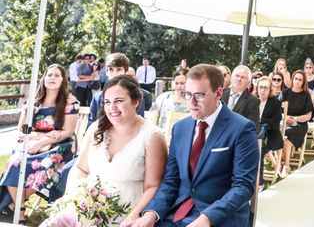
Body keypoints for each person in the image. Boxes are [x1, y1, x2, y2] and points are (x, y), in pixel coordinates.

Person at [132, 64, 260, 227]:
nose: (191, 102)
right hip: (177, 214)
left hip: (220, 218)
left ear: (218, 93)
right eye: (187, 94)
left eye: (199, 95)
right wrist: (152, 213)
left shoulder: (242, 128)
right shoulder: (180, 128)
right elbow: (171, 180)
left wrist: (207, 218)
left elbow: (243, 187)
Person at [47, 76, 167, 227]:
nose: (112, 107)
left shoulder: (152, 136)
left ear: (135, 102)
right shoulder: (96, 129)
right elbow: (80, 168)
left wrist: (134, 216)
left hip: (128, 210)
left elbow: (153, 186)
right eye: (107, 102)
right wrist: (74, 200)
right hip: (88, 205)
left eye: (119, 101)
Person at [0, 65, 79, 221]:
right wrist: (40, 136)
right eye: (49, 75)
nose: (52, 78)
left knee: (44, 166)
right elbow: (21, 132)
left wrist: (43, 141)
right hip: (30, 144)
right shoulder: (33, 101)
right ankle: (20, 212)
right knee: (15, 163)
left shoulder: (70, 101)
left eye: (57, 75)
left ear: (63, 80)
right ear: (44, 78)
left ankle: (12, 208)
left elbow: (67, 131)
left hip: (60, 146)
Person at [280, 70, 314, 178]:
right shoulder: (285, 92)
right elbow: (276, 109)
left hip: (299, 125)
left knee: (287, 135)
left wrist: (294, 119)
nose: (297, 81)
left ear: (303, 82)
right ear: (292, 79)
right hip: (283, 121)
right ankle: (278, 160)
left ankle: (286, 165)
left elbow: (308, 116)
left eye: (300, 79)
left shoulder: (306, 95)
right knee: (277, 131)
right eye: (296, 78)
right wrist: (285, 118)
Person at [256, 77, 283, 188]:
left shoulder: (275, 103)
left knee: (258, 150)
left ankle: (259, 182)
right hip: (253, 134)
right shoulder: (252, 101)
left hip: (270, 135)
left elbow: (275, 121)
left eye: (265, 88)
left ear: (270, 90)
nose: (262, 90)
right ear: (257, 88)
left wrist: (260, 121)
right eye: (260, 87)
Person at [221, 65, 260, 131]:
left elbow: (253, 127)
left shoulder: (253, 101)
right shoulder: (220, 94)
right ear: (231, 78)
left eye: (243, 77)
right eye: (237, 76)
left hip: (237, 138)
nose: (239, 79)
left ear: (248, 83)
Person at [154, 67, 190, 134]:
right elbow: (152, 117)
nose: (179, 86)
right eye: (176, 83)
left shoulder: (193, 101)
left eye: (182, 83)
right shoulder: (164, 98)